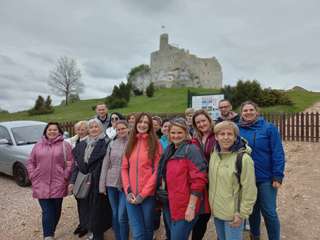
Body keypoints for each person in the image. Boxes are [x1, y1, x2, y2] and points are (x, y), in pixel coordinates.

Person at [238, 101, 285, 240]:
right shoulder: (237, 129)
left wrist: (278, 175)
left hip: (266, 178)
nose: (248, 112)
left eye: (251, 109)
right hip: (246, 178)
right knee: (252, 210)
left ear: (257, 111)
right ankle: (255, 236)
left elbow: (278, 152)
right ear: (241, 113)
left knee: (269, 211)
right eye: (245, 110)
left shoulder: (269, 128)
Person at [156, 118, 208, 240]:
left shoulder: (191, 150)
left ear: (186, 133)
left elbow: (199, 180)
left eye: (179, 132)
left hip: (184, 204)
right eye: (173, 132)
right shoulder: (169, 149)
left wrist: (191, 206)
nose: (176, 136)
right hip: (169, 202)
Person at [209, 121, 257, 240]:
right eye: (222, 134)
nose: (226, 137)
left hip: (233, 214)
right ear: (216, 136)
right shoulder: (214, 153)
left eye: (230, 134)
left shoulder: (244, 159)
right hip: (217, 210)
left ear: (235, 137)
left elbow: (249, 190)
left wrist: (242, 214)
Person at [27, 122, 74, 240]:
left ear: (59, 132)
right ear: (46, 132)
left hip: (59, 182)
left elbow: (70, 162)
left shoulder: (65, 145)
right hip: (40, 182)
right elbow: (31, 162)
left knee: (56, 210)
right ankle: (48, 236)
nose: (52, 132)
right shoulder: (38, 145)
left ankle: (50, 231)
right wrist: (33, 175)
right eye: (50, 130)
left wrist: (65, 175)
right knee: (47, 211)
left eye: (55, 130)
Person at [121, 112, 162, 240]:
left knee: (148, 229)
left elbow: (157, 171)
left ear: (150, 125)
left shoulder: (156, 144)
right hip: (131, 195)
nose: (142, 125)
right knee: (138, 233)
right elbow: (124, 169)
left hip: (147, 197)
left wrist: (143, 195)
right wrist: (128, 191)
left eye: (146, 122)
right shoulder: (130, 143)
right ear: (135, 123)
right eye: (140, 122)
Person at [70, 119, 112, 240]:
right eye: (91, 127)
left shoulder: (106, 142)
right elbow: (76, 165)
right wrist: (72, 182)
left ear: (101, 128)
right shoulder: (82, 144)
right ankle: (92, 232)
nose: (93, 129)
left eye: (96, 127)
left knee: (98, 212)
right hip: (84, 181)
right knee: (86, 210)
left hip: (98, 182)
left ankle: (98, 235)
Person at [99, 120, 130, 240]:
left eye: (123, 129)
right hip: (110, 182)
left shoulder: (133, 143)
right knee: (115, 213)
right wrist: (102, 185)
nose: (121, 131)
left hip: (125, 183)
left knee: (122, 215)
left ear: (128, 129)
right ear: (115, 131)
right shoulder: (112, 144)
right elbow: (105, 164)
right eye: (118, 129)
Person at [191, 109, 215, 240]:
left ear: (209, 120)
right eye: (198, 122)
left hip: (216, 180)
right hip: (202, 180)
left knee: (213, 213)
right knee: (203, 214)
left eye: (203, 121)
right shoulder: (196, 138)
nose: (201, 124)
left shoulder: (217, 134)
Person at [66, 121, 90, 237]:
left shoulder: (89, 141)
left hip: (86, 176)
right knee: (79, 201)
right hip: (77, 174)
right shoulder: (74, 141)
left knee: (86, 202)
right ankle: (82, 223)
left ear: (87, 129)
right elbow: (75, 163)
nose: (81, 131)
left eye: (83, 129)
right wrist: (72, 181)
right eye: (79, 129)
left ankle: (86, 225)